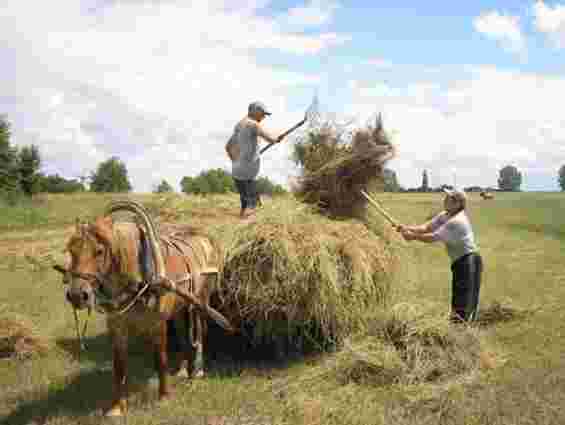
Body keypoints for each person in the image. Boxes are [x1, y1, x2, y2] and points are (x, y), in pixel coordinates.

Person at [397, 188, 483, 323]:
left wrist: (412, 237)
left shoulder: (457, 221)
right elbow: (426, 228)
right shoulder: (445, 214)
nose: (445, 199)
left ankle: (463, 330)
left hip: (469, 261)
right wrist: (406, 228)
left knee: (465, 299)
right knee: (459, 295)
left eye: (449, 198)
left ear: (458, 204)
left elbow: (433, 237)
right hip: (459, 260)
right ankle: (459, 326)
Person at [226, 101, 284, 221]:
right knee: (252, 205)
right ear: (255, 111)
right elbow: (271, 138)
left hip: (238, 171)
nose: (263, 117)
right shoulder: (253, 124)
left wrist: (236, 161)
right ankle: (248, 228)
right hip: (248, 173)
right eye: (263, 114)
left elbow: (228, 147)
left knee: (246, 203)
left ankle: (240, 228)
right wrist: (278, 138)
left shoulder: (239, 125)